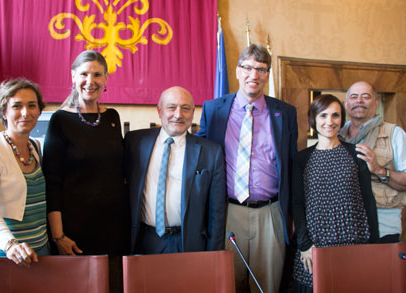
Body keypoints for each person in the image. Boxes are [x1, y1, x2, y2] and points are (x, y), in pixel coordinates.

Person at [197, 44, 298, 293]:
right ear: (237, 71)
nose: (254, 75)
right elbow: (202, 156)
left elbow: (292, 164)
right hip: (228, 211)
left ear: (267, 74)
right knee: (226, 282)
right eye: (248, 68)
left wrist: (293, 213)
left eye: (261, 70)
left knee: (267, 285)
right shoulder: (214, 109)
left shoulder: (285, 113)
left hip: (271, 213)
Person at [42, 50, 128, 292]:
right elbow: (52, 181)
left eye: (97, 75)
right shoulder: (59, 120)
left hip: (113, 228)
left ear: (106, 79)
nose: (90, 81)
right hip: (75, 231)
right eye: (84, 74)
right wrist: (58, 236)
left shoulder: (112, 117)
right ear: (73, 77)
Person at [292, 94, 379, 292]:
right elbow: (297, 203)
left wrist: (374, 246)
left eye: (335, 115)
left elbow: (368, 201)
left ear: (342, 119)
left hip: (354, 244)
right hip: (315, 247)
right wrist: (304, 244)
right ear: (314, 120)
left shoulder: (356, 154)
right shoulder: (302, 159)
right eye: (323, 116)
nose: (329, 122)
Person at [124, 86, 226, 254]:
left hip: (188, 243)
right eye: (171, 107)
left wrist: (213, 254)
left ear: (193, 112)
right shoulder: (135, 142)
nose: (178, 115)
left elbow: (217, 213)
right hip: (144, 239)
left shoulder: (211, 152)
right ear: (159, 111)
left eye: (185, 108)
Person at [0, 78, 48, 291]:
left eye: (32, 105)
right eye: (17, 106)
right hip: (5, 255)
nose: (26, 112)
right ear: (4, 111)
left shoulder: (36, 147)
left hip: (41, 254)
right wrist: (10, 245)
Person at [339, 81, 406, 243]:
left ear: (376, 102)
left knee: (379, 269)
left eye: (366, 97)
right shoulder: (337, 136)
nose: (359, 101)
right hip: (345, 226)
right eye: (354, 97)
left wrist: (380, 170)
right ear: (347, 103)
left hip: (383, 226)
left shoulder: (394, 134)